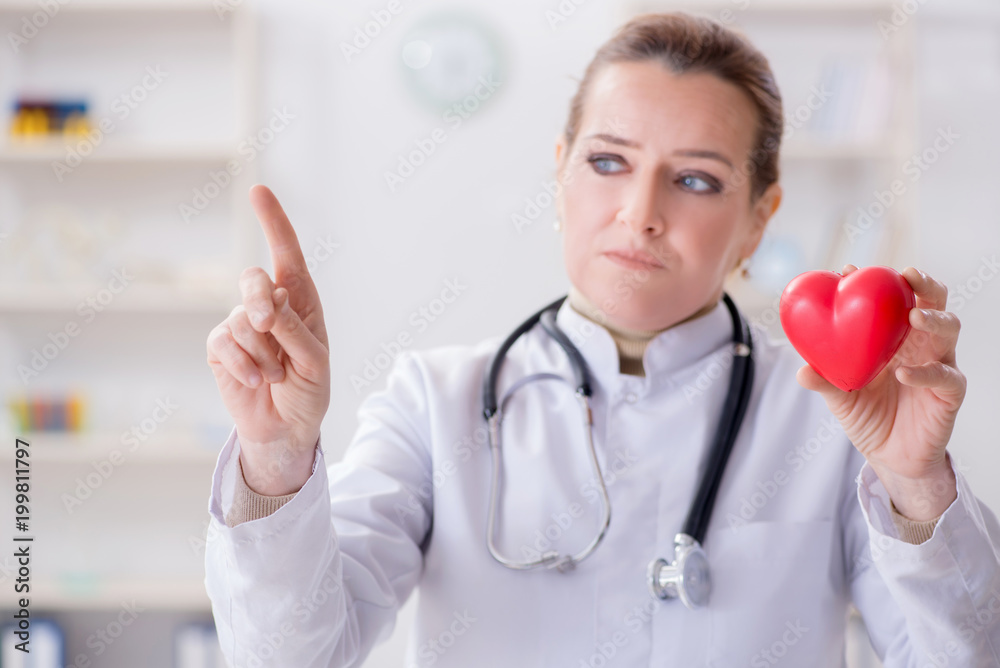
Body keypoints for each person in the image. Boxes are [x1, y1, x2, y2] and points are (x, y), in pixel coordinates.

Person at [203, 12, 1000, 667]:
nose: (640, 213)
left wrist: (917, 484)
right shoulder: (433, 404)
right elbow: (286, 658)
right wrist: (275, 455)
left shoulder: (833, 413)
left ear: (760, 219)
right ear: (560, 176)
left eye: (695, 179)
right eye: (609, 162)